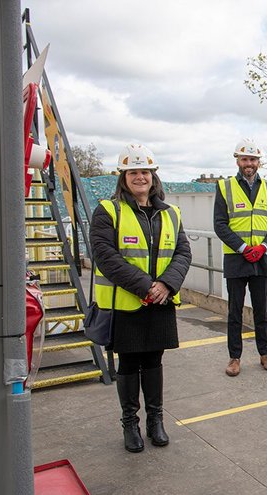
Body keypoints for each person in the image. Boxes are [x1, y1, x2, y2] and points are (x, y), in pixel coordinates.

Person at [90, 144, 192, 453]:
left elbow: (183, 252)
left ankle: (155, 421)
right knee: (129, 363)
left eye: (145, 171)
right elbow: (105, 256)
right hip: (126, 303)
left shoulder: (170, 213)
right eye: (133, 172)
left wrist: (166, 285)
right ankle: (130, 424)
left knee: (154, 361)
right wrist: (146, 286)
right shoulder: (108, 211)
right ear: (123, 177)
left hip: (159, 302)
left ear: (153, 176)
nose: (140, 177)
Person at [213, 138, 267, 376]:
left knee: (261, 311)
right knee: (235, 311)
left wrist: (263, 247)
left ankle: (265, 354)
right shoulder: (225, 187)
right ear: (238, 161)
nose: (249, 163)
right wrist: (243, 247)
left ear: (259, 162)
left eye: (253, 159)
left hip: (261, 259)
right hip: (236, 258)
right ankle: (234, 358)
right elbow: (220, 225)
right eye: (244, 159)